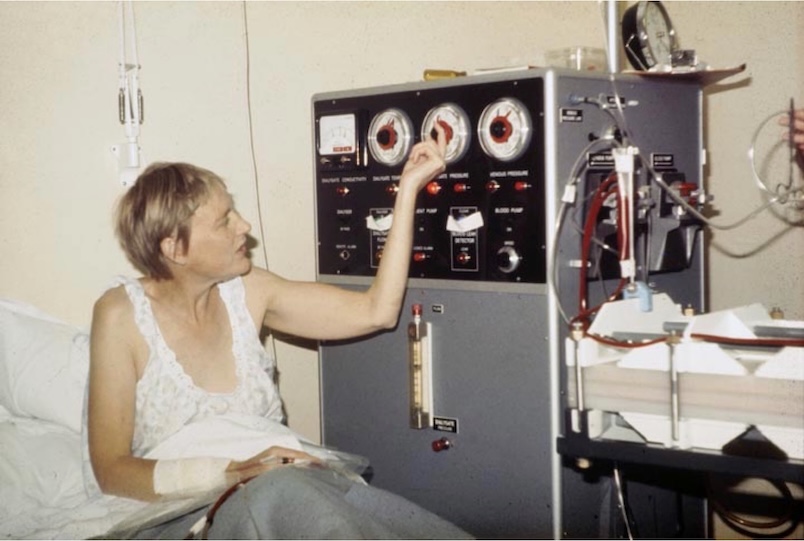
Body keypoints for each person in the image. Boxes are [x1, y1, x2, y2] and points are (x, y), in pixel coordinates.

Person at [86, 124, 472, 539]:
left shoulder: (250, 291)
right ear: (174, 249)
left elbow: (377, 311)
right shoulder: (120, 315)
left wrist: (408, 189)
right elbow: (111, 470)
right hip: (186, 513)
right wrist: (229, 473)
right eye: (224, 221)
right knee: (288, 499)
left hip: (286, 487)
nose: (244, 226)